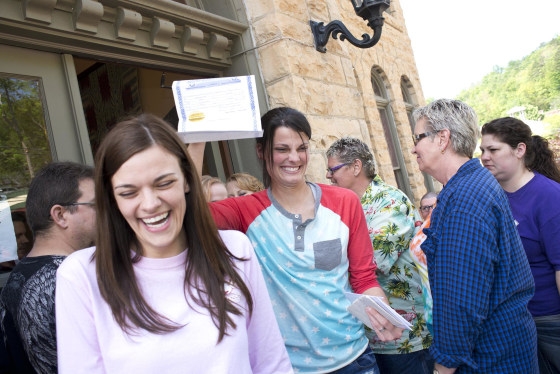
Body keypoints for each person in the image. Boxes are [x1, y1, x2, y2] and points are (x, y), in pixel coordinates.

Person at [55, 114, 292, 374]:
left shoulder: (235, 250)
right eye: (128, 192)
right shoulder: (81, 275)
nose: (150, 203)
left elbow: (271, 362)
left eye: (164, 183)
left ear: (187, 180)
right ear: (112, 199)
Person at [190, 107, 403, 374]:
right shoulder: (245, 210)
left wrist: (381, 312)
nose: (293, 158)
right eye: (282, 149)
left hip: (354, 360)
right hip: (289, 367)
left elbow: (364, 279)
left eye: (301, 148)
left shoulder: (344, 202)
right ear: (261, 152)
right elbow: (188, 214)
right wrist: (197, 140)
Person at [411, 99, 538, 373]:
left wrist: (444, 365)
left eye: (418, 138)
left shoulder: (465, 198)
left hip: (491, 358)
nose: (413, 148)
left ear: (442, 138)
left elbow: (461, 301)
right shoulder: (471, 184)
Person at [326, 136, 433, 374]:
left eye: (332, 169)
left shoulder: (389, 202)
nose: (327, 176)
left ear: (356, 166)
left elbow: (373, 261)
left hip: (403, 336)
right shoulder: (342, 206)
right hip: (366, 333)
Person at [480, 117, 560, 374]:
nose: (484, 157)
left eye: (493, 150)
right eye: (482, 150)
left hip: (547, 321)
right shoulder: (490, 195)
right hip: (510, 322)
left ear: (520, 150)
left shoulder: (549, 197)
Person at [0, 161, 96, 374]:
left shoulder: (17, 278)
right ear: (60, 215)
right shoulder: (68, 278)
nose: (106, 213)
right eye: (96, 205)